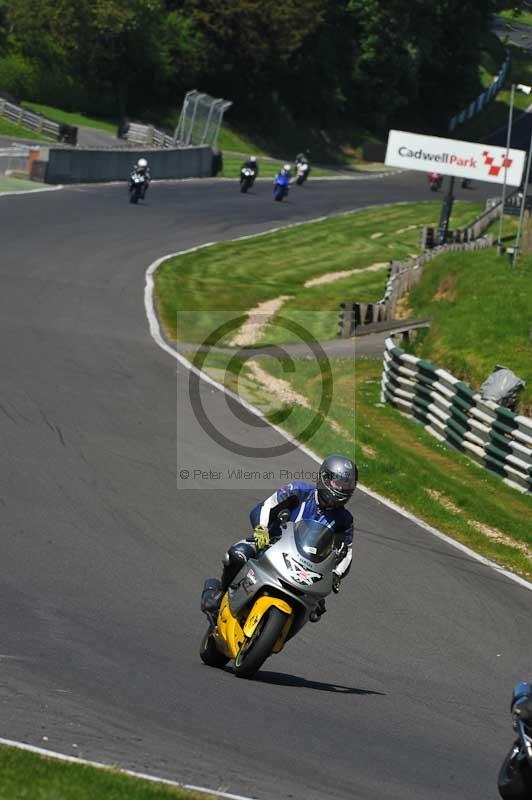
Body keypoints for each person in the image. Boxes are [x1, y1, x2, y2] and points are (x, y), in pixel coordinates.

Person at [202, 455, 358, 622]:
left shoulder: (345, 520)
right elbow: (265, 507)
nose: (341, 489)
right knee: (237, 554)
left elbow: (346, 552)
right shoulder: (298, 491)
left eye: (346, 485)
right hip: (271, 546)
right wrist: (261, 528)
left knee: (315, 610)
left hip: (308, 569)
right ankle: (219, 596)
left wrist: (336, 574)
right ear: (324, 478)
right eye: (338, 483)